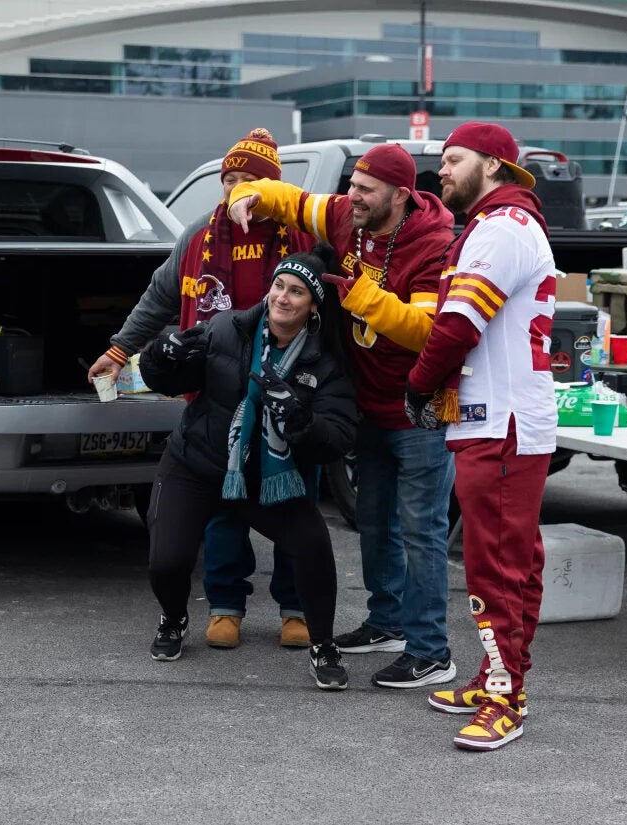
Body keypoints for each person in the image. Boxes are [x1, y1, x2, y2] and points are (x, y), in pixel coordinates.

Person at [227, 142, 460, 690]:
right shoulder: (344, 215)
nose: (351, 195)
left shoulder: (434, 244)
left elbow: (426, 330)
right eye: (352, 184)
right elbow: (287, 200)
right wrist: (246, 193)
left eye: (365, 189)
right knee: (374, 520)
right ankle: (387, 623)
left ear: (400, 196)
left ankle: (431, 651)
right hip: (369, 403)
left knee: (423, 532)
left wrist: (361, 297)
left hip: (420, 408)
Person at [88, 127, 316, 650]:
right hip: (215, 399)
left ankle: (297, 607)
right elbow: (160, 296)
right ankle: (226, 605)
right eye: (228, 179)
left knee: (294, 502)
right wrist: (120, 349)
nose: (234, 189)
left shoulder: (303, 238)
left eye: (247, 180)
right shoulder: (199, 236)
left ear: (271, 188)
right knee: (222, 508)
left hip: (290, 396)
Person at [138, 243, 358, 690]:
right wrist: (161, 355)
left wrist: (300, 419)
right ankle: (174, 617)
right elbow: (166, 381)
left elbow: (336, 438)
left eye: (296, 292)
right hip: (197, 464)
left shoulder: (324, 364)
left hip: (266, 478)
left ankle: (323, 645)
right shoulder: (225, 329)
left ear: (312, 308)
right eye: (279, 286)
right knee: (167, 560)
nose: (282, 297)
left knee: (313, 547)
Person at [403, 122, 557, 751]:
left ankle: (506, 698)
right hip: (499, 422)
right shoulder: (502, 225)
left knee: (495, 566)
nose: (442, 169)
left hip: (503, 425)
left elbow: (458, 324)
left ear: (492, 165)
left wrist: (416, 385)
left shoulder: (499, 229)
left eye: (454, 159)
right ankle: (496, 674)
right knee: (509, 561)